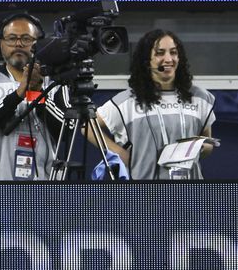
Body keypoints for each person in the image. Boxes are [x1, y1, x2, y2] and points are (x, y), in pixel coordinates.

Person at [91, 29, 216, 180]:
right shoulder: (127, 101)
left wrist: (199, 148)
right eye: (160, 53)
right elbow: (88, 126)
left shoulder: (200, 97)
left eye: (174, 52)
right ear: (147, 61)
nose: (168, 59)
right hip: (144, 195)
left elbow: (208, 144)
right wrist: (117, 151)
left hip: (189, 195)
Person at [0, 12, 70, 181]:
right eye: (12, 38)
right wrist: (17, 95)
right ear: (2, 44)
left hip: (44, 188)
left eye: (26, 39)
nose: (18, 44)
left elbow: (66, 132)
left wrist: (37, 93)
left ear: (38, 44)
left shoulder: (56, 82)